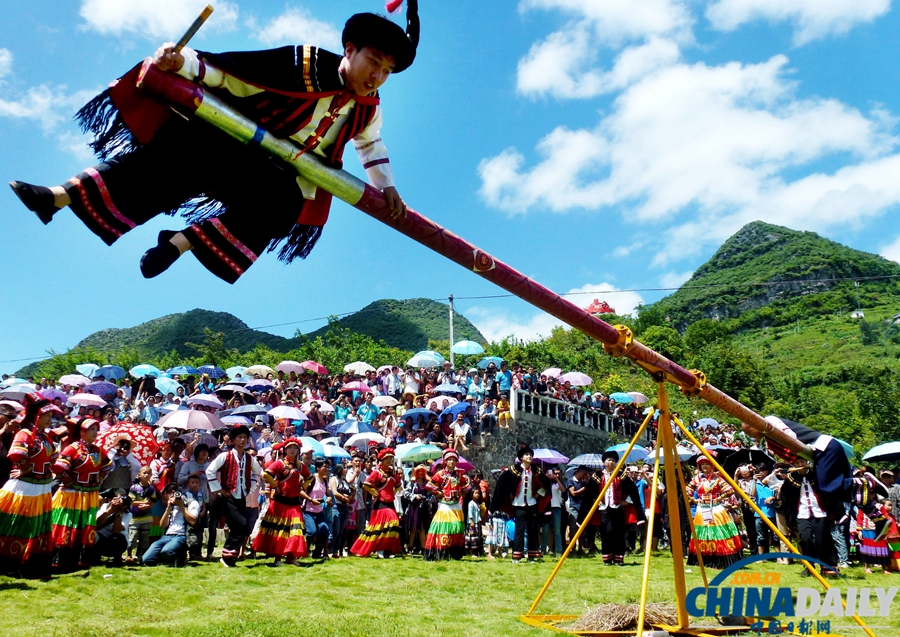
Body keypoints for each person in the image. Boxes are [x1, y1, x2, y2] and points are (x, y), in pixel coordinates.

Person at [10, 5, 419, 283]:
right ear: (350, 49)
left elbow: (370, 145)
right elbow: (235, 73)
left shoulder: (369, 107)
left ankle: (179, 241)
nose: (378, 75)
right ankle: (57, 197)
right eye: (374, 62)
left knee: (283, 205)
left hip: (272, 175)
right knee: (175, 154)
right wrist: (182, 62)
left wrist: (388, 187)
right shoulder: (303, 62)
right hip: (229, 144)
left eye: (386, 71)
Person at [0, 396, 63, 578]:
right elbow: (16, 454)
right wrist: (26, 468)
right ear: (37, 416)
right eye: (47, 415)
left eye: (51, 415)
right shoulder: (25, 434)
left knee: (36, 526)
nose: (50, 419)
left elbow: (51, 459)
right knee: (19, 524)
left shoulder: (44, 437)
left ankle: (30, 563)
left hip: (41, 487)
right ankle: (11, 562)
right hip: (25, 488)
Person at [50, 417, 114, 571]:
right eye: (92, 429)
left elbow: (107, 466)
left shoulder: (98, 450)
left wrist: (98, 480)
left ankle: (79, 560)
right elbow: (58, 468)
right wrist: (69, 482)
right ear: (82, 432)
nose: (95, 432)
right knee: (68, 524)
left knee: (84, 526)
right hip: (71, 495)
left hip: (89, 495)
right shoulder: (72, 448)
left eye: (96, 429)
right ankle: (60, 560)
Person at [205, 425, 263, 567]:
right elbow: (210, 471)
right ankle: (228, 556)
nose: (242, 440)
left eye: (244, 437)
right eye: (239, 437)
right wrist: (219, 489)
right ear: (233, 440)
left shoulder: (250, 458)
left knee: (238, 527)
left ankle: (229, 557)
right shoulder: (225, 455)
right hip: (229, 496)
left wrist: (251, 485)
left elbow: (258, 472)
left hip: (242, 496)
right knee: (241, 524)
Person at [580, 451, 644, 566]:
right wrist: (596, 500)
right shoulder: (598, 475)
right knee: (606, 532)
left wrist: (627, 501)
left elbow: (633, 490)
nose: (611, 462)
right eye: (609, 460)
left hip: (618, 508)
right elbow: (589, 492)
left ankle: (618, 559)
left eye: (613, 460)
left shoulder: (620, 475)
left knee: (619, 533)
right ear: (604, 462)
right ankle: (607, 558)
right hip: (604, 508)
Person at [253, 438, 310, 566]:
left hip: (294, 503)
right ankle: (278, 558)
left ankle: (291, 557)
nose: (293, 450)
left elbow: (310, 477)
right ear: (285, 450)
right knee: (280, 530)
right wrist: (275, 485)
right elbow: (266, 474)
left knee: (295, 531)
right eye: (290, 448)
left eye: (295, 448)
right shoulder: (279, 463)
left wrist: (304, 485)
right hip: (280, 503)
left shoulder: (300, 465)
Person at [492, 445, 551, 562]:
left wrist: (538, 494)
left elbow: (546, 484)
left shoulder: (536, 470)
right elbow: (502, 482)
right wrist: (509, 494)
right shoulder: (514, 470)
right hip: (518, 505)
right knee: (519, 530)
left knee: (533, 530)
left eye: (530, 455)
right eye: (527, 455)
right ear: (521, 457)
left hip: (532, 504)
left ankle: (532, 556)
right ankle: (517, 556)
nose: (529, 457)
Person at [687, 453, 743, 569]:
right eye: (703, 465)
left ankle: (721, 560)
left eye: (707, 464)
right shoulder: (697, 479)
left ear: (712, 465)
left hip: (716, 509)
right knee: (703, 534)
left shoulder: (717, 479)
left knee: (718, 533)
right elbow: (687, 491)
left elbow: (729, 490)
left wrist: (719, 498)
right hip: (702, 509)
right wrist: (693, 499)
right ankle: (704, 559)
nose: (705, 467)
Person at [351, 448, 403, 558]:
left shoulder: (392, 472)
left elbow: (398, 485)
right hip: (380, 502)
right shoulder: (376, 472)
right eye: (387, 458)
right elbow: (366, 484)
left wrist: (392, 493)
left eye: (391, 458)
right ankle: (380, 549)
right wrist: (375, 492)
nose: (389, 460)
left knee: (389, 526)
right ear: (382, 460)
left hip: (390, 502)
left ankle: (386, 549)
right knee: (391, 522)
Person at [424, 448, 470, 560]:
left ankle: (454, 552)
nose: (452, 462)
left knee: (456, 528)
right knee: (443, 527)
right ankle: (441, 551)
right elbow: (429, 486)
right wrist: (440, 493)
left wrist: (460, 492)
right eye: (449, 460)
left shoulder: (459, 474)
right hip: (445, 505)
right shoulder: (440, 474)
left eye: (454, 460)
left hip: (456, 505)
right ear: (445, 461)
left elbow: (467, 486)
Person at [141, 483, 200, 566]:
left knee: (166, 551)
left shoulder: (192, 503)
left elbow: (193, 521)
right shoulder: (170, 505)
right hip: (167, 536)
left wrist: (181, 506)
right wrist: (168, 508)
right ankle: (166, 559)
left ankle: (179, 557)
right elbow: (162, 525)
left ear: (172, 493)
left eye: (165, 495)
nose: (164, 499)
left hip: (181, 536)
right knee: (146, 559)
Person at [95, 488, 133, 564]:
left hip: (117, 542)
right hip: (102, 539)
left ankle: (117, 556)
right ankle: (96, 555)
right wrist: (109, 510)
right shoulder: (105, 507)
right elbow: (97, 525)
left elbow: (116, 530)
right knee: (93, 535)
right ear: (111, 499)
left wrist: (119, 512)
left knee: (117, 538)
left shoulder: (127, 514)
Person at [402, 464, 433, 554]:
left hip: (423, 508)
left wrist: (427, 499)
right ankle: (410, 548)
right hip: (414, 507)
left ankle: (423, 549)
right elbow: (406, 493)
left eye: (422, 471)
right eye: (418, 471)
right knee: (413, 529)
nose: (420, 473)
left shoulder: (427, 483)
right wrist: (415, 496)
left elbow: (431, 494)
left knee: (423, 529)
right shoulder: (412, 483)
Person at [466, 488, 486, 557]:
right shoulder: (471, 503)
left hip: (478, 522)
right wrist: (471, 521)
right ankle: (472, 552)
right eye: (476, 493)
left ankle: (478, 551)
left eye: (478, 493)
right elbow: (470, 513)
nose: (477, 495)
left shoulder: (477, 503)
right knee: (473, 537)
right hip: (473, 523)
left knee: (478, 537)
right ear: (472, 494)